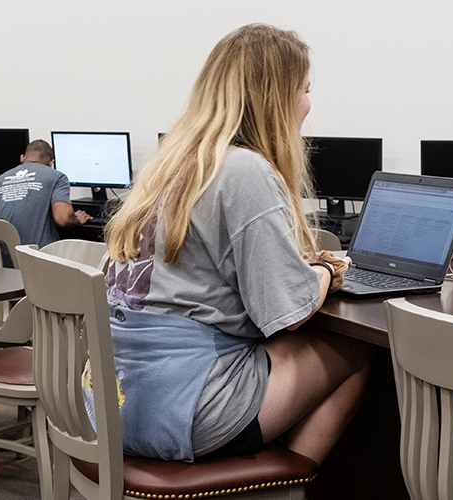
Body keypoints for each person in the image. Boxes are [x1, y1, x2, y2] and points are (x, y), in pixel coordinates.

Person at [101, 24, 366, 464]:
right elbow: (290, 316)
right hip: (182, 406)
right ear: (275, 99)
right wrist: (325, 271)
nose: (307, 105)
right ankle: (283, 489)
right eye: (303, 90)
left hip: (115, 398)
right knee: (355, 351)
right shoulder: (244, 170)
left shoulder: (169, 164)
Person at [0, 140, 91, 251]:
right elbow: (63, 219)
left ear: (22, 158)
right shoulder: (57, 177)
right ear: (51, 163)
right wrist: (76, 219)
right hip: (38, 261)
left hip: (1, 263)